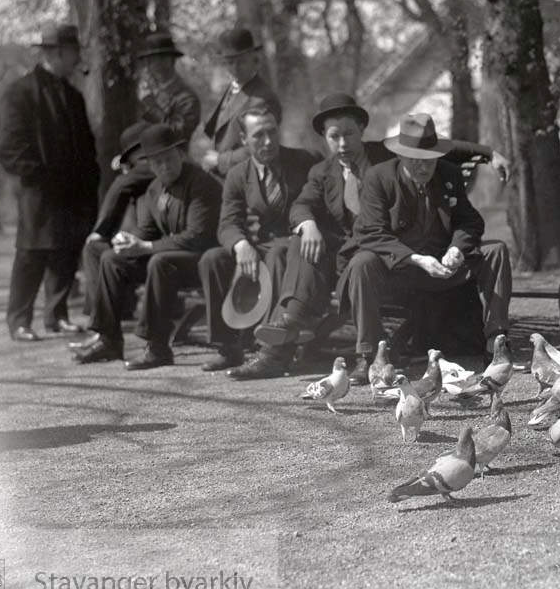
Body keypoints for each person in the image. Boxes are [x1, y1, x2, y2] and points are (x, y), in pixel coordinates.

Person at [232, 93, 512, 381]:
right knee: (305, 245)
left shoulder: (394, 157)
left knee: (493, 250)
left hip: (406, 252)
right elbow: (306, 206)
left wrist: (489, 154)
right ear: (325, 138)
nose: (343, 144)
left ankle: (497, 343)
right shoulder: (326, 172)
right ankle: (294, 327)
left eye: (349, 134)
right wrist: (307, 224)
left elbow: (441, 153)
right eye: (334, 136)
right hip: (361, 255)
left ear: (362, 132)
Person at [334, 113, 512, 384]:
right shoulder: (379, 178)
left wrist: (457, 249)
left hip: (442, 266)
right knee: (361, 263)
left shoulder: (448, 173)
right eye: (414, 159)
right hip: (397, 272)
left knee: (496, 250)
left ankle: (495, 345)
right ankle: (369, 355)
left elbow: (469, 220)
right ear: (401, 156)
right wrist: (416, 258)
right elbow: (370, 232)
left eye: (429, 159)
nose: (422, 167)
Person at [73, 125, 222, 370]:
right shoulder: (154, 189)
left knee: (159, 261)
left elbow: (197, 236)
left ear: (181, 155)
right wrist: (129, 243)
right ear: (149, 164)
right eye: (158, 162)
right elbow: (147, 233)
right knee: (112, 259)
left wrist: (146, 246)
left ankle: (157, 347)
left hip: (203, 260)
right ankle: (109, 339)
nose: (165, 167)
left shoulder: (200, 183)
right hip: (169, 261)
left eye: (170, 159)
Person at [0, 24, 99, 342]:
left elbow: (85, 145)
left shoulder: (73, 95)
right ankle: (19, 320)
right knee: (32, 253)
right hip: (39, 190)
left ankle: (57, 315)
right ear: (56, 54)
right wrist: (40, 176)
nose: (77, 59)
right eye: (73, 52)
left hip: (74, 191)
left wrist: (89, 181)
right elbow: (9, 146)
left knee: (66, 251)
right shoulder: (21, 91)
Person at [197, 109, 318, 372]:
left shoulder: (303, 161)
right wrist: (240, 244)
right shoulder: (238, 175)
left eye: (272, 132)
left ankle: (268, 349)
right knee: (213, 259)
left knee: (277, 256)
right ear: (243, 139)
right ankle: (228, 347)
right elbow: (228, 223)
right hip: (258, 245)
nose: (267, 141)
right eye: (258, 135)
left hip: (294, 244)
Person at [70, 122, 155, 350]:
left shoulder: (151, 163)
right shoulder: (149, 166)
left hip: (157, 248)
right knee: (94, 250)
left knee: (99, 248)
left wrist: (101, 231)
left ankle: (105, 333)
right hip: (147, 243)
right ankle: (103, 329)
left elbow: (120, 185)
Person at [199, 28, 283, 179]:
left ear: (254, 60)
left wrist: (220, 160)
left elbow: (264, 146)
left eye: (241, 61)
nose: (235, 68)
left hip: (253, 179)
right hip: (228, 176)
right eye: (229, 62)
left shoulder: (262, 99)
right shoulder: (232, 89)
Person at [136, 31, 202, 143]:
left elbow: (179, 134)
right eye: (147, 61)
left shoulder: (187, 98)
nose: (147, 66)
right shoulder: (147, 91)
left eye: (152, 60)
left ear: (167, 60)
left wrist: (153, 108)